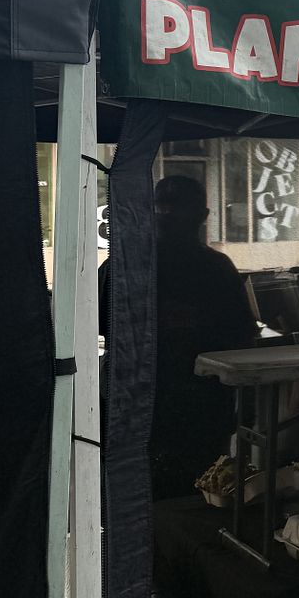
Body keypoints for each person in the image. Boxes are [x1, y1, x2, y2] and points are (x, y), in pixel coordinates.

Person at [100, 174, 258, 499]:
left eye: (169, 209)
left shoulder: (122, 266)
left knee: (132, 504)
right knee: (197, 502)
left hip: (138, 407)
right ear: (204, 216)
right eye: (164, 208)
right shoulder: (217, 269)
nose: (166, 215)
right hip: (195, 411)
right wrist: (246, 409)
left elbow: (98, 325)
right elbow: (243, 343)